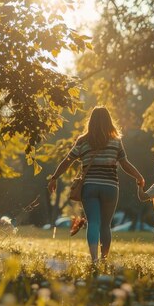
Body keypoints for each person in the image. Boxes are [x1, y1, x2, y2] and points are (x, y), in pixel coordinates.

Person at [48, 106, 144, 263]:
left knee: (93, 222)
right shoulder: (116, 141)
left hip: (90, 186)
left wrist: (54, 177)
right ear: (109, 121)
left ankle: (94, 260)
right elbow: (125, 163)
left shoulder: (82, 141)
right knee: (105, 225)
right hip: (110, 187)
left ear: (91, 121)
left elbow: (67, 160)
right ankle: (104, 259)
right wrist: (139, 176)